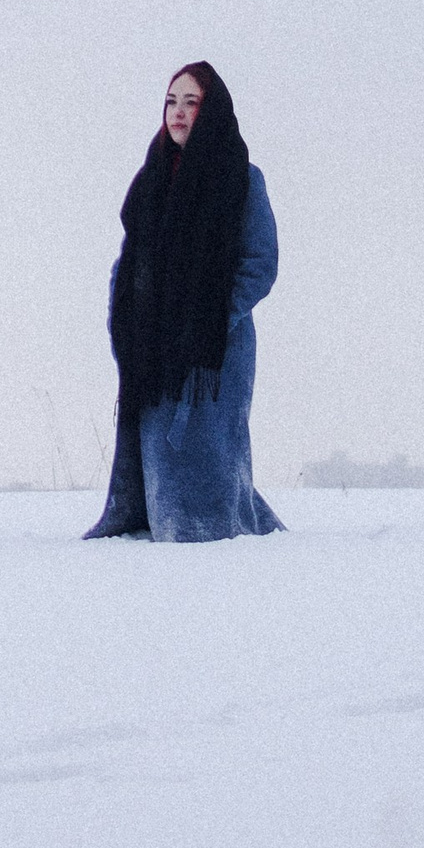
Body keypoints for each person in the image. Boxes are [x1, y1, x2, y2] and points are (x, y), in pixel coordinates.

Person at [84, 60, 283, 543]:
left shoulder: (241, 178)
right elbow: (132, 256)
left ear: (211, 111)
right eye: (171, 101)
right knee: (158, 451)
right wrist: (126, 310)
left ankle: (213, 534)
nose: (178, 112)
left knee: (209, 451)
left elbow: (260, 264)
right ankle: (161, 521)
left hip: (215, 351)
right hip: (153, 343)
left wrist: (209, 319)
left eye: (192, 102)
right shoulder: (152, 178)